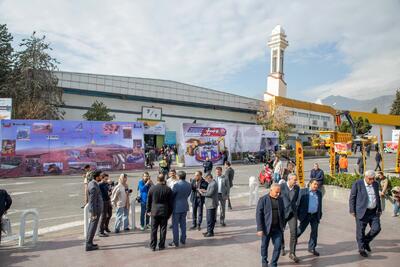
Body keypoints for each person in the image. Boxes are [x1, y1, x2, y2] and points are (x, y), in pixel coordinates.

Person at [349, 170, 382, 257]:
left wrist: (380, 209)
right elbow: (352, 197)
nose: (372, 180)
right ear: (366, 177)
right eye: (370, 179)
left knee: (377, 228)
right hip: (362, 211)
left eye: (373, 178)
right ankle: (361, 249)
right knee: (360, 231)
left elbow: (377, 197)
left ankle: (366, 241)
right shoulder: (358, 183)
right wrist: (352, 210)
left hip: (373, 211)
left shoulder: (375, 184)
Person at [256, 183, 285, 267]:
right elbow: (259, 215)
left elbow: (282, 213)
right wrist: (259, 229)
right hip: (266, 228)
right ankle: (264, 262)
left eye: (279, 192)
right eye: (276, 192)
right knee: (264, 246)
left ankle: (273, 263)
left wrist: (282, 225)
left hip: (277, 229)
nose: (278, 194)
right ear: (271, 190)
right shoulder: (263, 199)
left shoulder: (280, 199)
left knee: (278, 246)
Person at [147, 174, 173, 251]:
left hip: (154, 211)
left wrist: (148, 210)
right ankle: (161, 245)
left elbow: (149, 201)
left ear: (157, 179)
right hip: (164, 211)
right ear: (164, 179)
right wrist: (170, 213)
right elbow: (170, 203)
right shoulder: (168, 189)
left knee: (153, 230)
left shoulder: (152, 188)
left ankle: (153, 246)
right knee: (163, 229)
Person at [297, 179, 323, 257]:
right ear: (310, 184)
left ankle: (312, 248)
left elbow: (320, 204)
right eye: (314, 184)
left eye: (317, 184)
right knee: (300, 230)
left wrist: (320, 214)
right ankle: (293, 241)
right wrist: (298, 216)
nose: (316, 186)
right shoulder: (303, 191)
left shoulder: (319, 193)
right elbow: (298, 204)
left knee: (314, 232)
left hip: (315, 215)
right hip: (305, 215)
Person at [280, 174, 300, 262]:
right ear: (289, 179)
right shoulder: (281, 186)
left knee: (294, 232)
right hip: (283, 213)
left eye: (296, 180)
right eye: (294, 180)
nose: (296, 181)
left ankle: (292, 253)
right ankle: (282, 247)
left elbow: (295, 200)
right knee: (281, 231)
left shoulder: (297, 188)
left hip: (292, 213)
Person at [169, 171, 192, 247]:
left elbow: (172, 195)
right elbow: (188, 194)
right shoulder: (189, 185)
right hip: (184, 205)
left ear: (179, 177)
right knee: (183, 224)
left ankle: (175, 241)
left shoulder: (176, 185)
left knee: (175, 225)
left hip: (176, 207)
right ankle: (183, 239)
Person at [85, 170, 103, 251]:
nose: (101, 177)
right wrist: (93, 213)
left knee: (92, 227)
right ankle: (88, 244)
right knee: (92, 227)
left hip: (96, 210)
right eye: (100, 176)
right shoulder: (93, 186)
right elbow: (91, 201)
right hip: (95, 211)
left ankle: (90, 242)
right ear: (96, 177)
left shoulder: (93, 183)